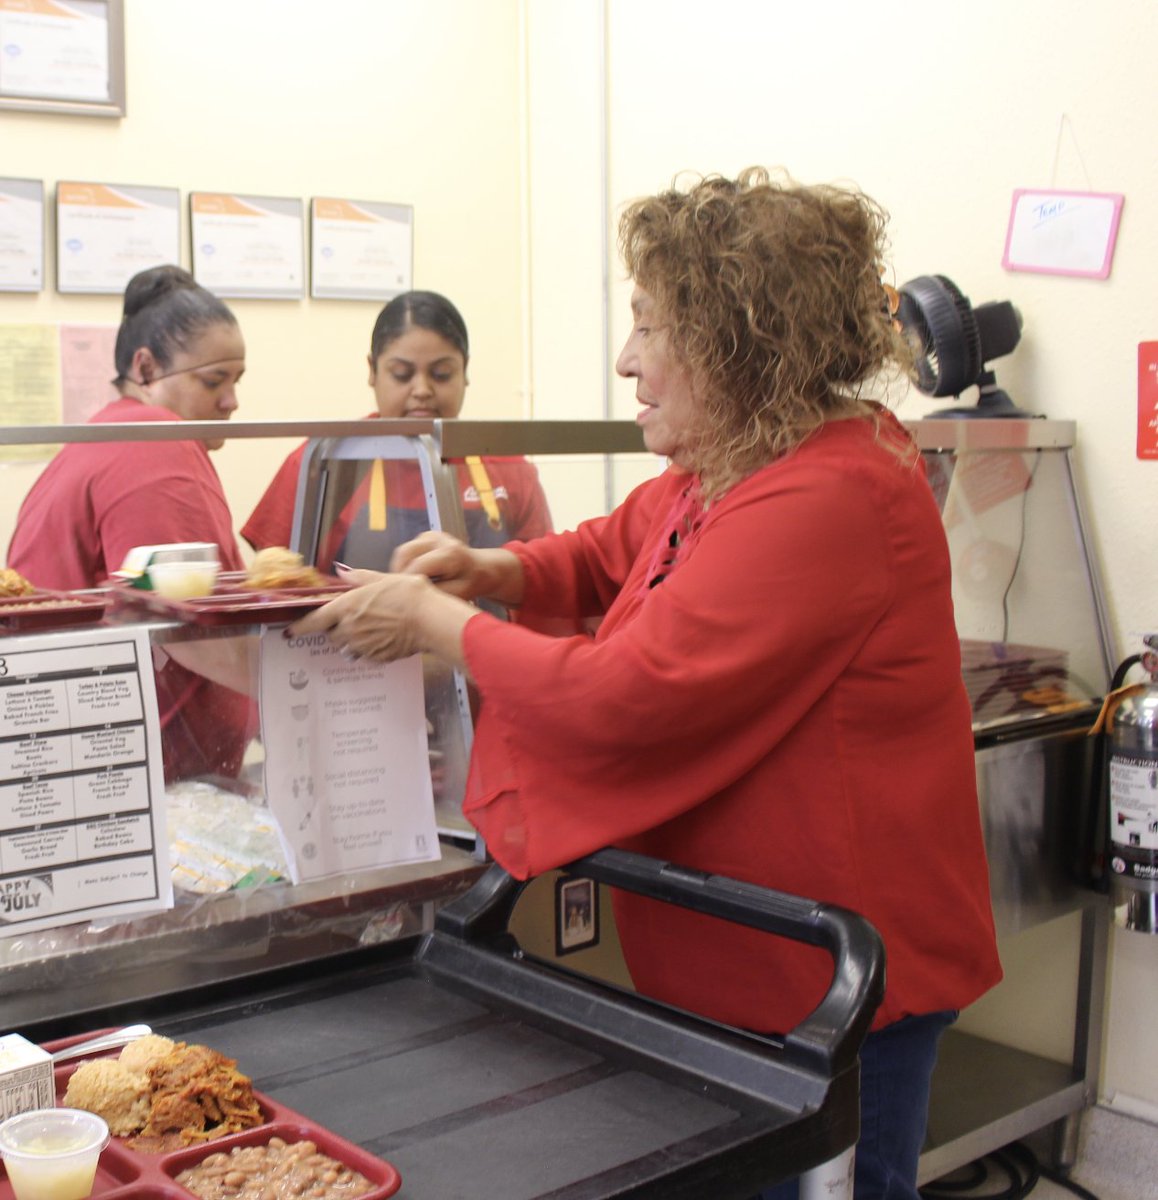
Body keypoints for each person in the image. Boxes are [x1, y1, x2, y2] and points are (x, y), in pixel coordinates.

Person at [289, 168, 1003, 1199]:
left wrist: (439, 624)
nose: (627, 358)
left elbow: (623, 695)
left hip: (832, 984)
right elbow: (610, 547)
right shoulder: (735, 463)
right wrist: (494, 569)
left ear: (739, 344)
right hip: (740, 962)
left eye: (650, 326)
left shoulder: (833, 492)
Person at [8, 264, 255, 784]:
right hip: (135, 773)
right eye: (214, 381)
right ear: (145, 368)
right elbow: (194, 628)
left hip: (82, 761)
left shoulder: (102, 436)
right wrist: (319, 694)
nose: (232, 402)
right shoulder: (153, 440)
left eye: (237, 381)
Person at [241, 290, 555, 572]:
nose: (422, 390)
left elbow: (541, 584)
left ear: (465, 371)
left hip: (476, 623)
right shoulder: (322, 464)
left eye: (442, 374)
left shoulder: (510, 470)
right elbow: (275, 583)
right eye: (402, 374)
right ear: (372, 371)